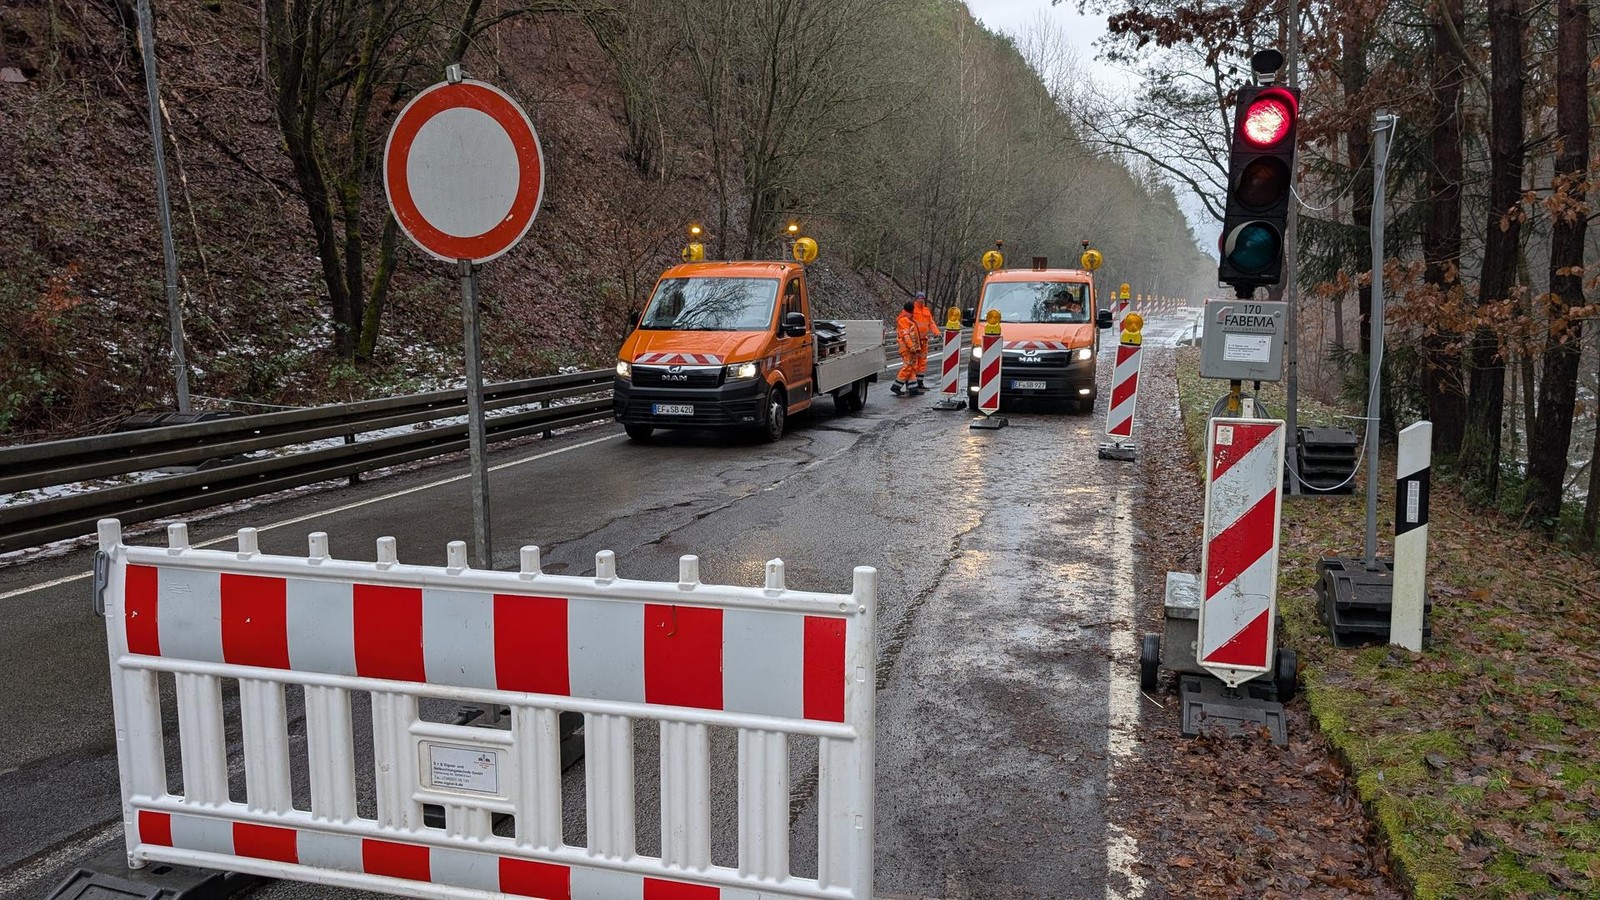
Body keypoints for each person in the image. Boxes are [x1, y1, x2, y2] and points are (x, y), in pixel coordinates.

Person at [892, 302, 922, 396]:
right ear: (912, 310)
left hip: (910, 348)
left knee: (912, 367)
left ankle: (913, 389)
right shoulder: (904, 320)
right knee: (907, 367)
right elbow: (906, 335)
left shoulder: (907, 319)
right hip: (907, 348)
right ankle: (896, 386)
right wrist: (911, 346)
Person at [911, 291, 938, 391]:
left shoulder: (926, 310)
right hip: (915, 340)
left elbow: (931, 323)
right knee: (914, 362)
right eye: (919, 298)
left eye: (922, 298)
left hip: (924, 341)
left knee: (922, 362)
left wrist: (937, 333)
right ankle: (912, 383)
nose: (921, 300)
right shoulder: (912, 310)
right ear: (916, 299)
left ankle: (920, 383)